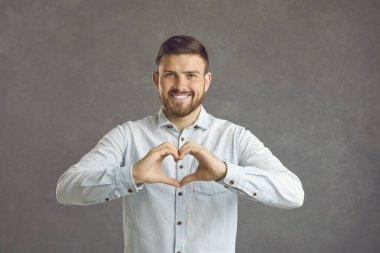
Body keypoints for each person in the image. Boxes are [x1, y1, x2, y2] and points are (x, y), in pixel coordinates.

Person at [56, 35, 304, 253]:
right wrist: (132, 175)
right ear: (156, 80)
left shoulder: (235, 137)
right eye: (170, 75)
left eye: (191, 75)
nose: (180, 86)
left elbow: (293, 194)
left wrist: (225, 173)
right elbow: (66, 189)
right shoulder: (127, 136)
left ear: (206, 81)